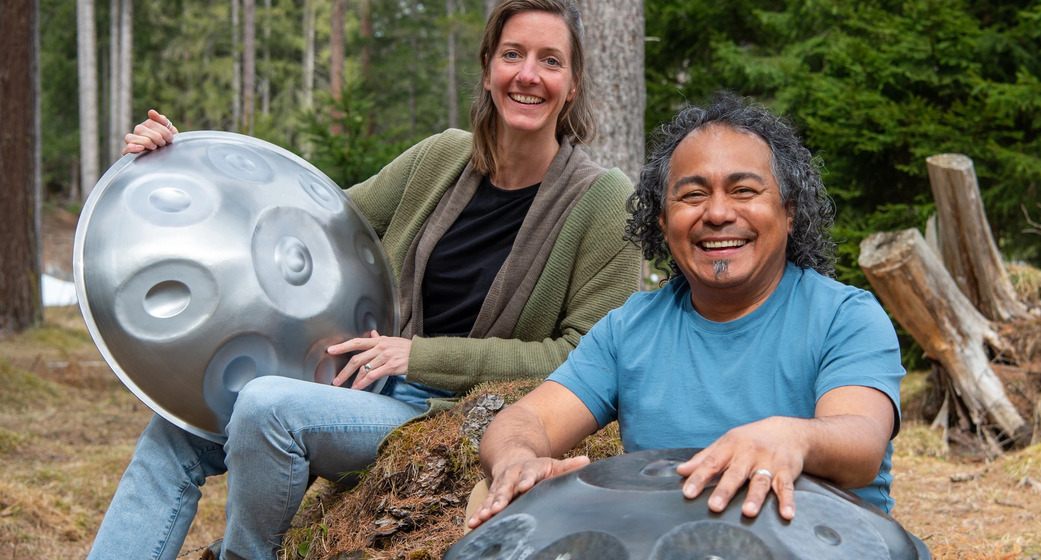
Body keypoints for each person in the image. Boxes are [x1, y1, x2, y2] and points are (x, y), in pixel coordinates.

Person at [88, 1, 641, 559]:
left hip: (444, 409)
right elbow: (312, 224)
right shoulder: (443, 157)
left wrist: (419, 357)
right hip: (361, 380)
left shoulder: (602, 200)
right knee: (174, 431)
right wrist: (183, 162)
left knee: (267, 407)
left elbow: (585, 357)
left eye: (550, 61)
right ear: (488, 68)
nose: (528, 75)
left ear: (571, 86)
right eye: (512, 55)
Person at [467, 92, 905, 531]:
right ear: (661, 220)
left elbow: (862, 440)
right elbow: (525, 420)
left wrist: (793, 437)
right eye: (692, 195)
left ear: (789, 211)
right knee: (489, 500)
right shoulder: (630, 329)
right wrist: (516, 459)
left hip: (824, 543)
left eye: (744, 191)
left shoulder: (845, 317)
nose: (716, 213)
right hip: (667, 544)